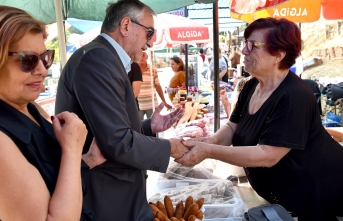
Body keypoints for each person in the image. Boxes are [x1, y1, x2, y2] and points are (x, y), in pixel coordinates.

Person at [177, 17, 343, 220]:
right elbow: (232, 127)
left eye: (252, 45)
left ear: (278, 55)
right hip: (278, 197)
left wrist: (209, 151)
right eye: (245, 43)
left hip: (314, 194)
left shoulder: (294, 95)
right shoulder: (251, 85)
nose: (244, 51)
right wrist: (209, 141)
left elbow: (268, 154)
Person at [55, 1, 187, 220]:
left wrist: (148, 127)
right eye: (149, 32)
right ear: (126, 25)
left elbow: (108, 130)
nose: (151, 43)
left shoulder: (104, 57)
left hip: (113, 191)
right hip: (106, 195)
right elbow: (116, 140)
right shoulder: (98, 59)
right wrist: (170, 148)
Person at [0, 6, 105, 221]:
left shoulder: (29, 107)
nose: (43, 70)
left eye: (45, 57)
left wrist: (87, 159)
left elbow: (52, 172)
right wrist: (73, 150)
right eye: (28, 60)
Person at [138, 51, 172, 121]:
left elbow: (157, 86)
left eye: (144, 54)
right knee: (138, 128)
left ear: (147, 57)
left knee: (152, 127)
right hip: (137, 105)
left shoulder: (152, 69)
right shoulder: (132, 69)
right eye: (140, 54)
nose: (142, 56)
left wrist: (164, 102)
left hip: (151, 104)